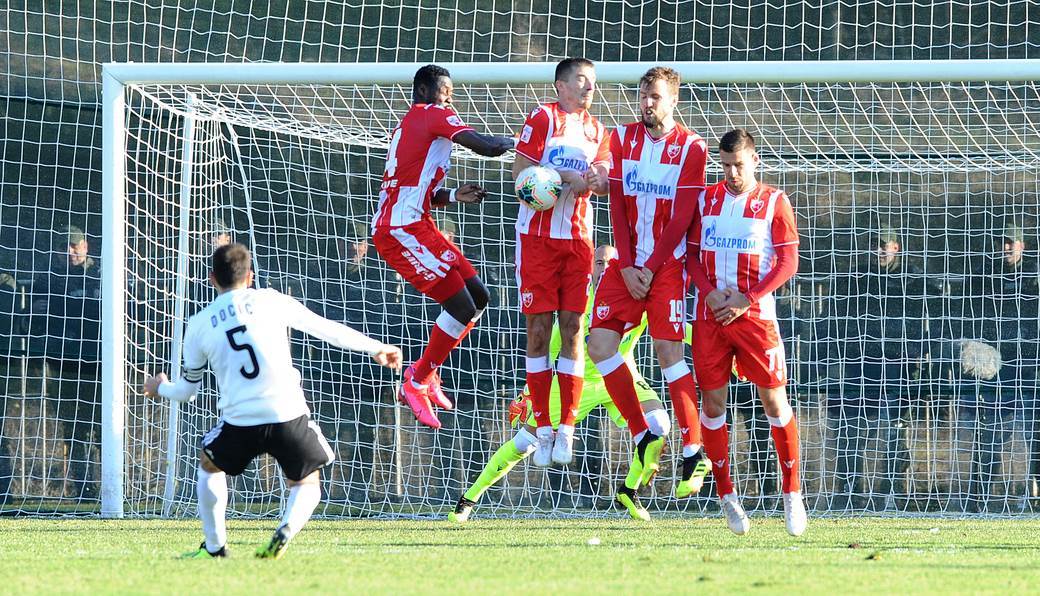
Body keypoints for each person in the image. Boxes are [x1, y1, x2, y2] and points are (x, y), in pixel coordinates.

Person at [142, 243, 402, 559]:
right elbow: (325, 329)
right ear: (250, 276)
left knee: (209, 465)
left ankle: (215, 549)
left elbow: (187, 392)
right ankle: (285, 530)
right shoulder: (272, 300)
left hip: (240, 420)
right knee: (306, 483)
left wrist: (160, 387)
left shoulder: (198, 324)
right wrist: (376, 346)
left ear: (212, 279)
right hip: (287, 412)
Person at [449, 246, 711, 522]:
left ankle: (628, 490)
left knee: (659, 424)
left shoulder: (638, 296)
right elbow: (548, 353)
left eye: (611, 262)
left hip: (622, 377)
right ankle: (469, 498)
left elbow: (677, 328)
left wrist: (714, 350)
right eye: (599, 262)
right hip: (576, 383)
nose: (605, 267)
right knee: (525, 442)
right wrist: (529, 393)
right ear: (590, 267)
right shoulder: (578, 302)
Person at [586, 66, 708, 498]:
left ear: (673, 100)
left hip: (667, 265)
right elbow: (617, 203)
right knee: (598, 343)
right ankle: (642, 436)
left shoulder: (692, 148)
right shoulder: (621, 139)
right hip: (626, 264)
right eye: (643, 95)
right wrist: (624, 265)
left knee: (668, 351)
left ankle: (695, 448)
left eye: (655, 96)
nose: (647, 103)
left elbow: (681, 218)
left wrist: (651, 267)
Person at [371, 64, 515, 430]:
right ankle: (417, 380)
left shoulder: (410, 126)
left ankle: (424, 374)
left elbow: (418, 189)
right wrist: (525, 143)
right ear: (423, 90)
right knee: (462, 305)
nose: (450, 97)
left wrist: (453, 195)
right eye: (444, 89)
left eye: (451, 91)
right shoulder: (432, 113)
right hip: (401, 230)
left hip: (419, 223)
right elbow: (484, 146)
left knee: (479, 297)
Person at [686, 129, 805, 536]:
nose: (733, 173)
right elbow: (692, 257)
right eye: (726, 166)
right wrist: (709, 293)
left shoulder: (774, 201)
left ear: (755, 161)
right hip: (712, 317)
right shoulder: (706, 199)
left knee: (774, 402)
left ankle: (792, 493)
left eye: (739, 165)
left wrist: (747, 297)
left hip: (756, 318)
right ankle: (727, 497)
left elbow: (788, 264)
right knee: (714, 406)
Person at [511, 57, 611, 466]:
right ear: (561, 85)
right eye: (581, 81)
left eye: (593, 82)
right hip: (537, 241)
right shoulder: (542, 118)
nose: (589, 88)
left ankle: (566, 428)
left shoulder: (598, 130)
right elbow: (521, 176)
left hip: (578, 242)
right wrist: (551, 183)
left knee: (574, 330)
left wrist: (594, 181)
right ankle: (544, 425)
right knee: (539, 331)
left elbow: (603, 181)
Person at [829, 225, 936, 512]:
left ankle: (891, 491)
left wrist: (918, 353)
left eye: (885, 244)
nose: (879, 250)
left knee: (893, 431)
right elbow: (836, 319)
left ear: (896, 247)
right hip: (858, 365)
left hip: (896, 368)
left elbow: (930, 322)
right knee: (851, 432)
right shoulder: (856, 279)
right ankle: (848, 492)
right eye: (875, 244)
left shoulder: (914, 281)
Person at [958, 224, 1039, 510]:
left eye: (1011, 242)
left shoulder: (1035, 279)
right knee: (990, 436)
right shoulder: (983, 279)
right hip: (998, 370)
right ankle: (978, 496)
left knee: (1036, 437)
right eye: (1002, 242)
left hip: (1032, 368)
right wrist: (974, 347)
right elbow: (965, 318)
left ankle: (1035, 496)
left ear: (1023, 245)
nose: (1006, 247)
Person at [31, 225, 103, 498]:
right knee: (73, 427)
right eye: (65, 246)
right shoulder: (50, 279)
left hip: (99, 363)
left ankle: (111, 485)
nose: (70, 251)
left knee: (102, 426)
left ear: (85, 245)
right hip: (65, 362)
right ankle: (84, 489)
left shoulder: (102, 275)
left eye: (74, 245)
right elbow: (38, 319)